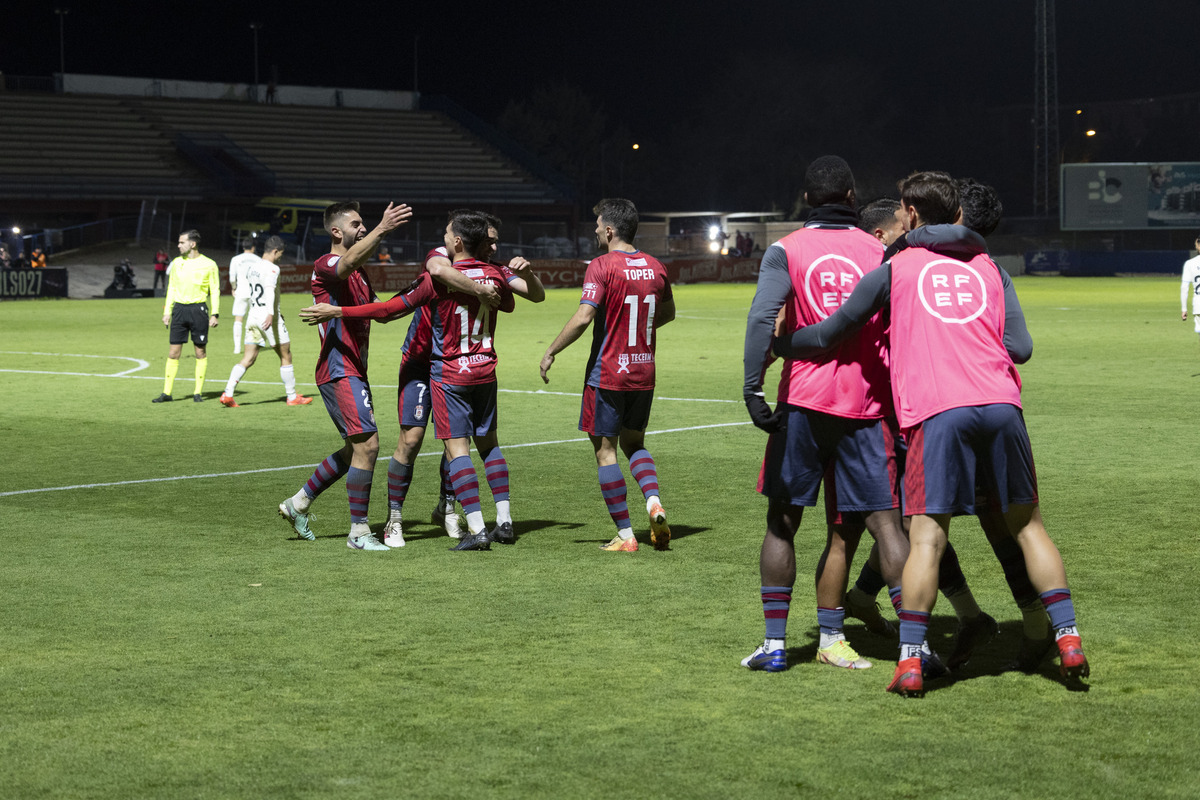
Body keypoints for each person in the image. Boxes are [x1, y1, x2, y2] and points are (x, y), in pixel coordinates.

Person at [776, 171, 1089, 696]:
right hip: (1002, 404)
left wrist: (782, 344)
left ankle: (911, 662)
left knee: (926, 536)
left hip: (938, 409)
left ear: (912, 212)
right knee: (1029, 527)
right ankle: (1068, 638)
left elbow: (833, 332)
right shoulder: (990, 266)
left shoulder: (897, 266)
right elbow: (1020, 346)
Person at [740, 156, 912, 673]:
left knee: (783, 522)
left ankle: (775, 647)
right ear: (853, 197)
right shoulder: (881, 251)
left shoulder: (785, 249)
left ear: (808, 199)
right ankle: (911, 647)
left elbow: (760, 319)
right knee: (885, 527)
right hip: (867, 405)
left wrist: (753, 391)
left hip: (804, 404)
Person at [298, 214, 525, 548]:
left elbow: (519, 297)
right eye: (490, 242)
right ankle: (395, 519)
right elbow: (417, 286)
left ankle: (448, 508)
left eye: (494, 243)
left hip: (453, 366)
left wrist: (507, 278)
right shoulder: (440, 259)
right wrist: (481, 288)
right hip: (421, 363)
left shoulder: (487, 269)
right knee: (411, 440)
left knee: (455, 441)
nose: (495, 248)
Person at [276, 200, 437, 552]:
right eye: (357, 224)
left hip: (353, 369)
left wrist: (424, 287)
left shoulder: (360, 275)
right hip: (338, 368)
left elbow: (382, 312)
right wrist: (382, 228)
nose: (363, 228)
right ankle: (359, 533)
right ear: (336, 231)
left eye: (365, 224)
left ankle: (298, 503)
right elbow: (346, 263)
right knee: (369, 445)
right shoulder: (328, 263)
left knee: (355, 449)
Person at [540, 198, 675, 553]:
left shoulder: (601, 266)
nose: (596, 230)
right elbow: (667, 313)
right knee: (635, 443)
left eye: (598, 225)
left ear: (611, 230)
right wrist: (636, 333)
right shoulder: (657, 267)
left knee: (606, 451)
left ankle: (626, 534)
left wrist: (552, 350)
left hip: (609, 373)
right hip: (644, 370)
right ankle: (653, 502)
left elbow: (584, 317)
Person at [218, 236, 313, 407]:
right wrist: (271, 313)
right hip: (267, 317)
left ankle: (228, 393)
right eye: (281, 254)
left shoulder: (253, 267)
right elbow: (268, 290)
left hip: (252, 315)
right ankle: (292, 397)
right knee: (286, 355)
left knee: (248, 358)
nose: (280, 257)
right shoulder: (273, 269)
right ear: (275, 251)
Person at [153, 230, 220, 403]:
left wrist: (215, 313)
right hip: (179, 311)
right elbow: (172, 288)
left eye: (181, 242)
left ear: (192, 244)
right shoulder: (176, 263)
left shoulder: (209, 264)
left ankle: (197, 393)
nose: (178, 245)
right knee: (173, 352)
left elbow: (215, 290)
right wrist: (167, 311)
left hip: (198, 310)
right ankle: (167, 393)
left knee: (200, 352)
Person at [229, 238, 259, 355]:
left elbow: (232, 278)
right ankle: (252, 344)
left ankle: (237, 348)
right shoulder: (258, 260)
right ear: (253, 247)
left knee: (238, 319)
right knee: (254, 319)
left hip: (240, 291)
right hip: (254, 292)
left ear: (243, 247)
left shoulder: (236, 259)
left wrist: (234, 287)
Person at [1180, 233, 1200, 339]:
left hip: (1198, 305)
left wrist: (1184, 308)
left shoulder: (1189, 264)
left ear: (1197, 245)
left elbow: (1184, 287)